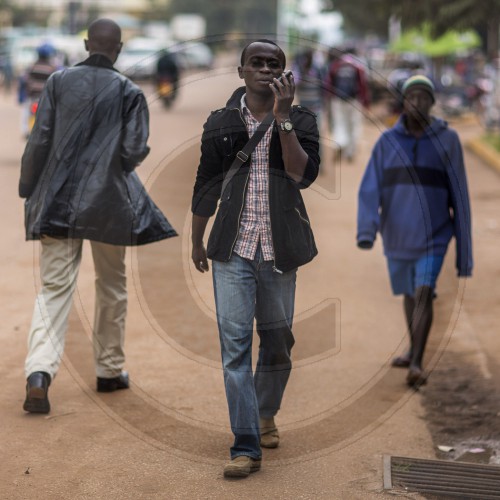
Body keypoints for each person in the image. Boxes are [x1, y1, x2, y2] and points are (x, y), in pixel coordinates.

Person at [19, 19, 177, 414]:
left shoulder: (58, 81)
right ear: (119, 50)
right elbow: (133, 150)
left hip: (56, 199)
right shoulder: (129, 91)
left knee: (54, 287)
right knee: (112, 284)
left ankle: (39, 373)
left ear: (87, 43)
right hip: (108, 203)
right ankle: (109, 371)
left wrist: (28, 185)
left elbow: (40, 138)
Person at [191, 39, 319, 478]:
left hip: (280, 250)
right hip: (233, 249)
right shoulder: (221, 122)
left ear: (286, 74)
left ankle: (266, 413)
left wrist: (283, 119)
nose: (265, 69)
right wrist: (195, 239)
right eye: (257, 63)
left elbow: (302, 175)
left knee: (279, 342)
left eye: (274, 63)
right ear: (242, 70)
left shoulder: (302, 119)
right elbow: (206, 183)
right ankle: (245, 444)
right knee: (235, 349)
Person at [357, 75, 473, 387]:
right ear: (403, 102)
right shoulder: (387, 142)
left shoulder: (447, 140)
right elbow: (370, 189)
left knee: (424, 292)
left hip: (435, 235)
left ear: (433, 102)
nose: (418, 103)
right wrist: (366, 230)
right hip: (396, 235)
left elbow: (459, 195)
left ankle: (418, 362)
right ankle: (412, 349)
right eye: (412, 97)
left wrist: (465, 254)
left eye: (424, 97)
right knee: (409, 294)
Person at [327, 47, 369, 162]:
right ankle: (351, 151)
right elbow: (363, 85)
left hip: (338, 100)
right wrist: (365, 101)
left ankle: (340, 144)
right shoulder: (358, 66)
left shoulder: (335, 65)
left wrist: (330, 98)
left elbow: (329, 84)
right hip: (354, 100)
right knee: (354, 125)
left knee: (340, 123)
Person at [20, 43, 58, 138]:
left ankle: (25, 131)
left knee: (26, 112)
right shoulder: (52, 68)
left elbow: (25, 80)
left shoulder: (32, 67)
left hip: (32, 96)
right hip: (45, 98)